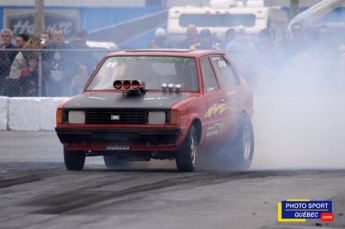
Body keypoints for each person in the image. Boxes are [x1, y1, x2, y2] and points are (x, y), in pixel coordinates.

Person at [43, 27, 77, 97]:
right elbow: (43, 62)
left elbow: (73, 63)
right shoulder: (47, 48)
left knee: (65, 100)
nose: (57, 37)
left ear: (63, 36)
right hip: (51, 80)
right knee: (51, 100)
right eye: (56, 35)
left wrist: (70, 76)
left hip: (65, 79)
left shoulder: (69, 48)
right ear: (53, 36)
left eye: (59, 35)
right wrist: (46, 75)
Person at [68, 30, 98, 95]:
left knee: (70, 93)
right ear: (84, 37)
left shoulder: (68, 46)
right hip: (81, 74)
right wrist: (90, 74)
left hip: (68, 74)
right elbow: (90, 63)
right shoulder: (86, 48)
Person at [0, 28, 18, 95]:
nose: (5, 38)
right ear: (0, 37)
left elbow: (13, 64)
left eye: (7, 36)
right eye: (3, 36)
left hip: (8, 77)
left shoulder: (15, 49)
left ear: (11, 38)